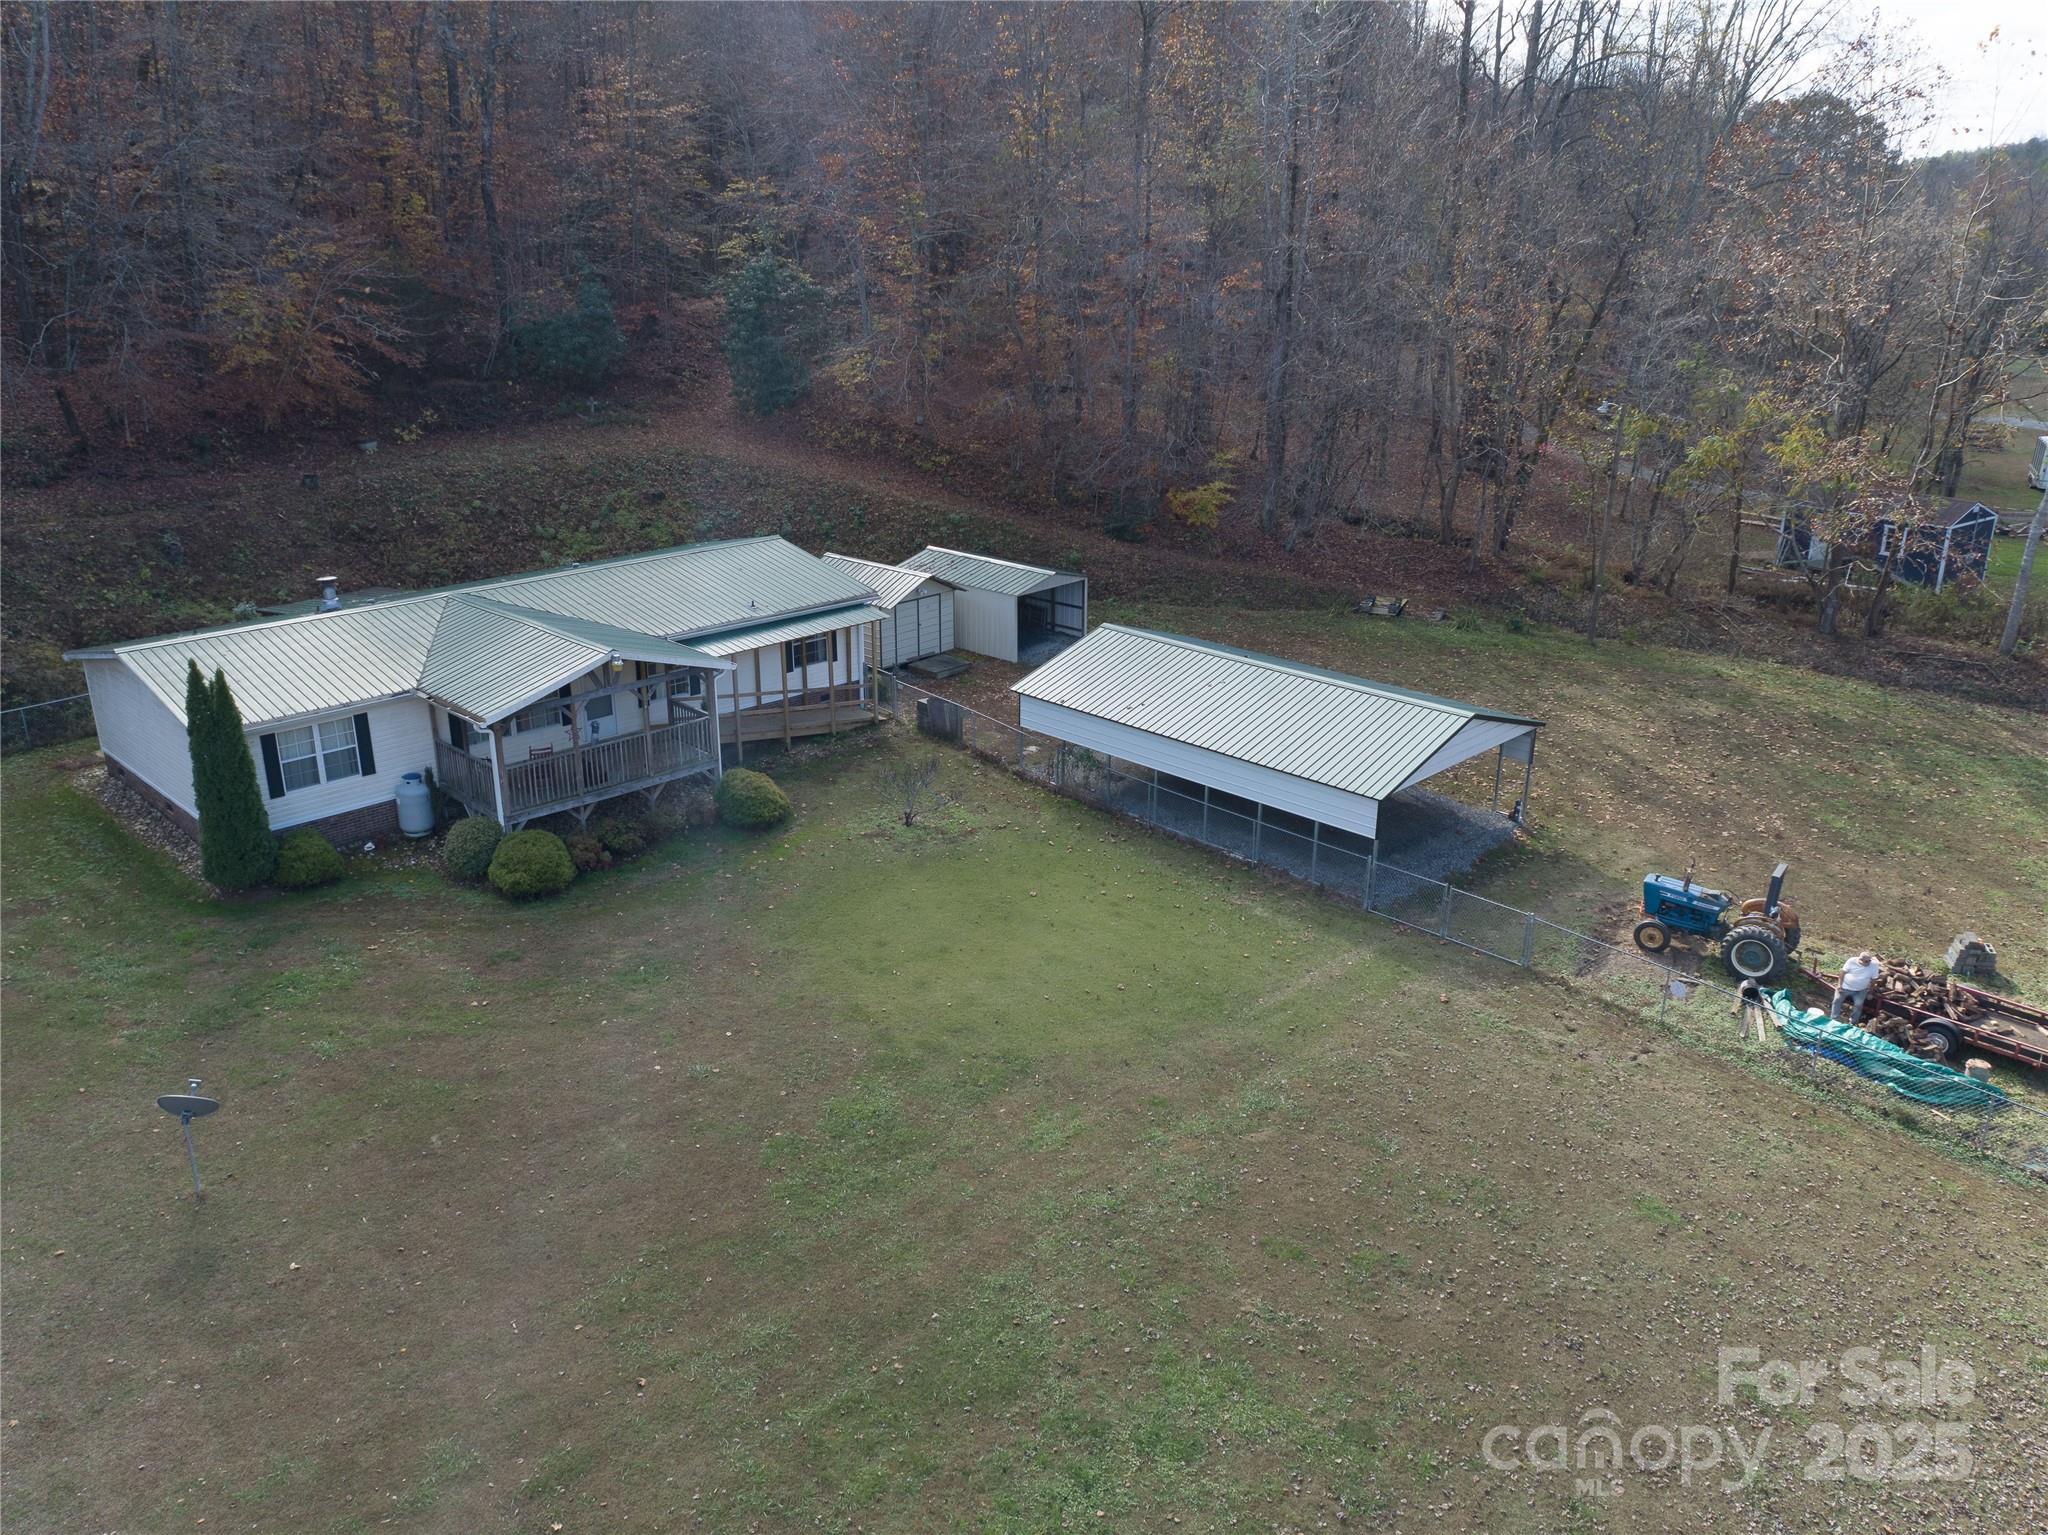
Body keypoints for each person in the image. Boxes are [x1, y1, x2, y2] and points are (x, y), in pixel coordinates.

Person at [1831, 951, 1881, 1025]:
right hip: (1845, 987)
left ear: (1870, 960)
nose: (1865, 963)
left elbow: (1874, 980)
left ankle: (1853, 1022)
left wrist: (1870, 992)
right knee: (1837, 1000)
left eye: (1867, 961)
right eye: (1863, 961)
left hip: (1860, 990)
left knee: (1858, 1005)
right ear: (1859, 959)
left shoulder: (1874, 965)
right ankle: (1834, 1019)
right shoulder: (1852, 961)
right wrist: (1839, 985)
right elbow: (1842, 972)